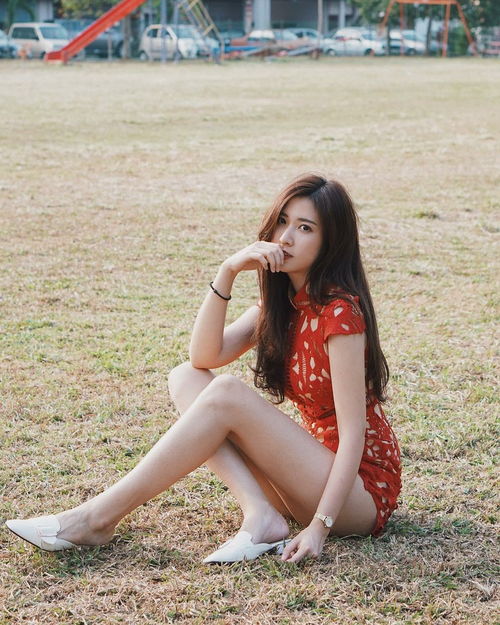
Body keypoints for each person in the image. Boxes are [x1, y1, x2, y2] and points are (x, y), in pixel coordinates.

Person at [6, 174, 401, 564]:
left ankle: (96, 518)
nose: (285, 238)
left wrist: (319, 526)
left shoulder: (340, 315)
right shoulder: (280, 309)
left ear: (330, 241)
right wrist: (227, 271)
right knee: (185, 377)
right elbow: (202, 357)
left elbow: (353, 436)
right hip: (306, 473)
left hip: (357, 493)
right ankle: (260, 514)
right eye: (282, 221)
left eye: (304, 228)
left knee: (227, 393)